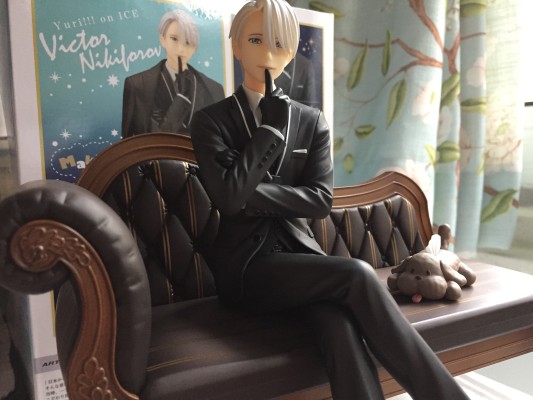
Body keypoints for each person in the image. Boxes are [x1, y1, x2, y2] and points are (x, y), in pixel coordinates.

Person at [190, 1, 471, 399]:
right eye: (254, 40)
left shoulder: (311, 121)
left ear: (291, 51)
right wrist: (269, 132)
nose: (267, 52)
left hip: (303, 264)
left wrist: (251, 193)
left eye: (278, 43)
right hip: (245, 271)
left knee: (338, 324)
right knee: (357, 273)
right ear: (236, 45)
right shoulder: (211, 121)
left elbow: (319, 200)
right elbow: (230, 198)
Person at [121, 9, 225, 137]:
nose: (181, 48)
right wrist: (182, 98)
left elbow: (220, 140)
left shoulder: (214, 89)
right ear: (162, 39)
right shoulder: (137, 85)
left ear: (195, 47)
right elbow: (128, 143)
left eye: (188, 42)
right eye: (174, 39)